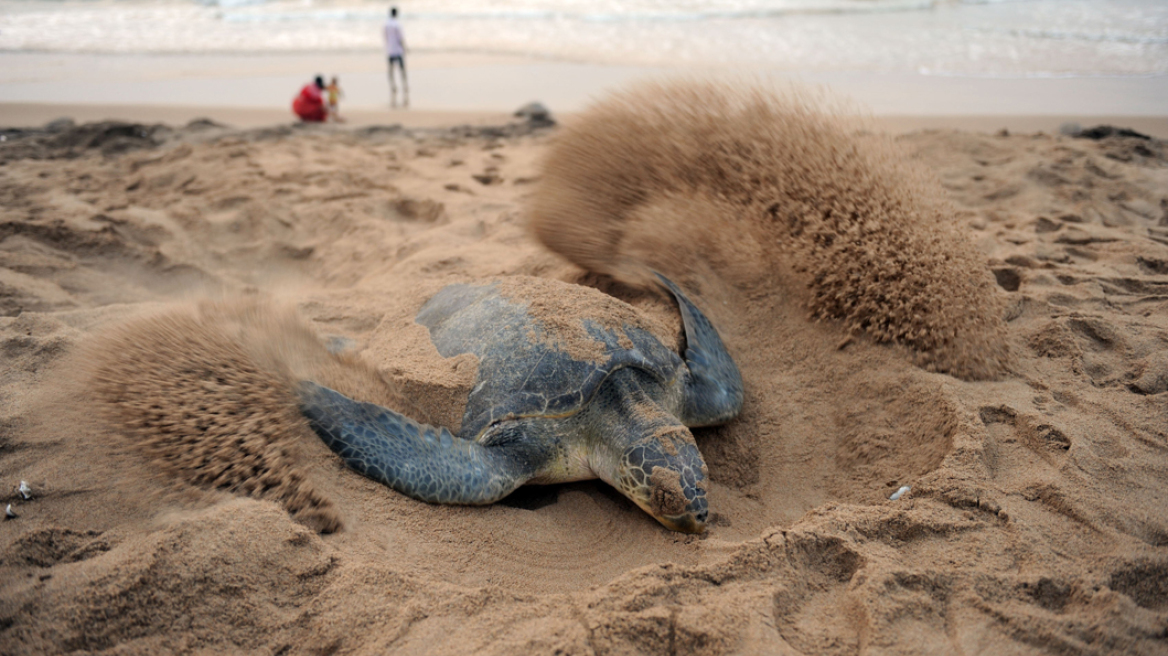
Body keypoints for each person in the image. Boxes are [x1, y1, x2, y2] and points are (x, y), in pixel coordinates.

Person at [383, 7, 408, 108]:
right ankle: (404, 85)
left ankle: (393, 86)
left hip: (390, 50)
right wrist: (405, 48)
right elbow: (400, 38)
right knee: (402, 70)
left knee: (391, 70)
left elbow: (385, 37)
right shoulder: (397, 24)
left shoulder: (386, 24)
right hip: (398, 50)